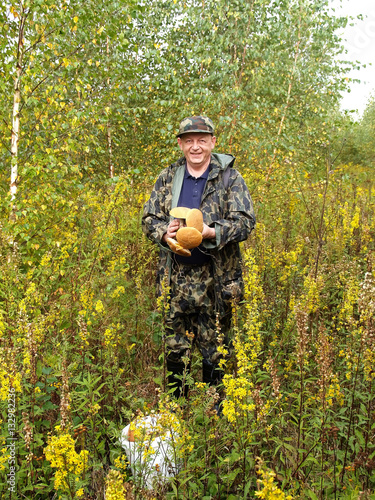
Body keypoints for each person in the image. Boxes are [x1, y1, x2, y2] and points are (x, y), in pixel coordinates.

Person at [142, 116, 255, 399]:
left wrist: (210, 232)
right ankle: (176, 410)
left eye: (202, 140)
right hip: (175, 279)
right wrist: (162, 233)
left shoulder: (230, 178)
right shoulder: (168, 177)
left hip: (216, 280)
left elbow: (245, 222)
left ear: (213, 142)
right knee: (174, 348)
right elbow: (148, 218)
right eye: (189, 141)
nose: (195, 147)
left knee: (215, 347)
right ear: (180, 144)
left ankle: (213, 411)